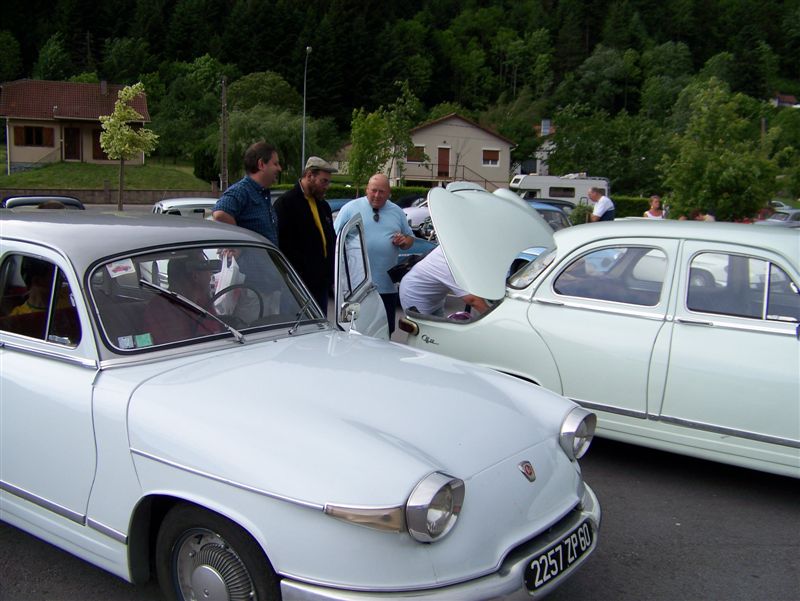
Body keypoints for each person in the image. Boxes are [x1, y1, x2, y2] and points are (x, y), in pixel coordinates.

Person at [333, 174, 414, 335]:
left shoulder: (397, 212)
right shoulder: (349, 209)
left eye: (382, 192)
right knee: (351, 331)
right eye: (373, 190)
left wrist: (404, 241)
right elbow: (335, 239)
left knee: (384, 332)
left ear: (389, 192)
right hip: (354, 289)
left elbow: (409, 238)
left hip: (386, 287)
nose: (377, 195)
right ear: (367, 190)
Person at [274, 157, 337, 313]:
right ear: (309, 176)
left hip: (321, 285)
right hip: (296, 286)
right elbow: (282, 246)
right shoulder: (286, 204)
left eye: (328, 182)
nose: (326, 186)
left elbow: (330, 240)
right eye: (323, 181)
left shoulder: (323, 205)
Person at [143, 252, 223, 345]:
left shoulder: (203, 301)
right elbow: (178, 345)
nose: (210, 274)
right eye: (206, 269)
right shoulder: (161, 309)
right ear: (195, 276)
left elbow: (216, 333)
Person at [213, 141, 282, 245]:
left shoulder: (262, 194)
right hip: (250, 256)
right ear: (261, 164)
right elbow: (220, 214)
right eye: (275, 164)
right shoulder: (242, 191)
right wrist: (237, 243)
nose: (279, 168)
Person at [399, 246, 489, 317]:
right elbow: (472, 300)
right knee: (423, 331)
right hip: (414, 295)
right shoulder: (450, 263)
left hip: (434, 298)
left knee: (439, 331)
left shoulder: (456, 248)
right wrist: (492, 319)